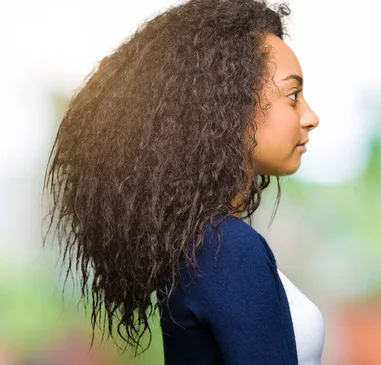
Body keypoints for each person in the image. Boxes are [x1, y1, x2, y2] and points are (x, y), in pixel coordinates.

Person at [42, 0, 324, 364]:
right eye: (292, 96)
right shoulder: (227, 249)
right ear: (229, 103)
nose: (311, 116)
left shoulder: (199, 247)